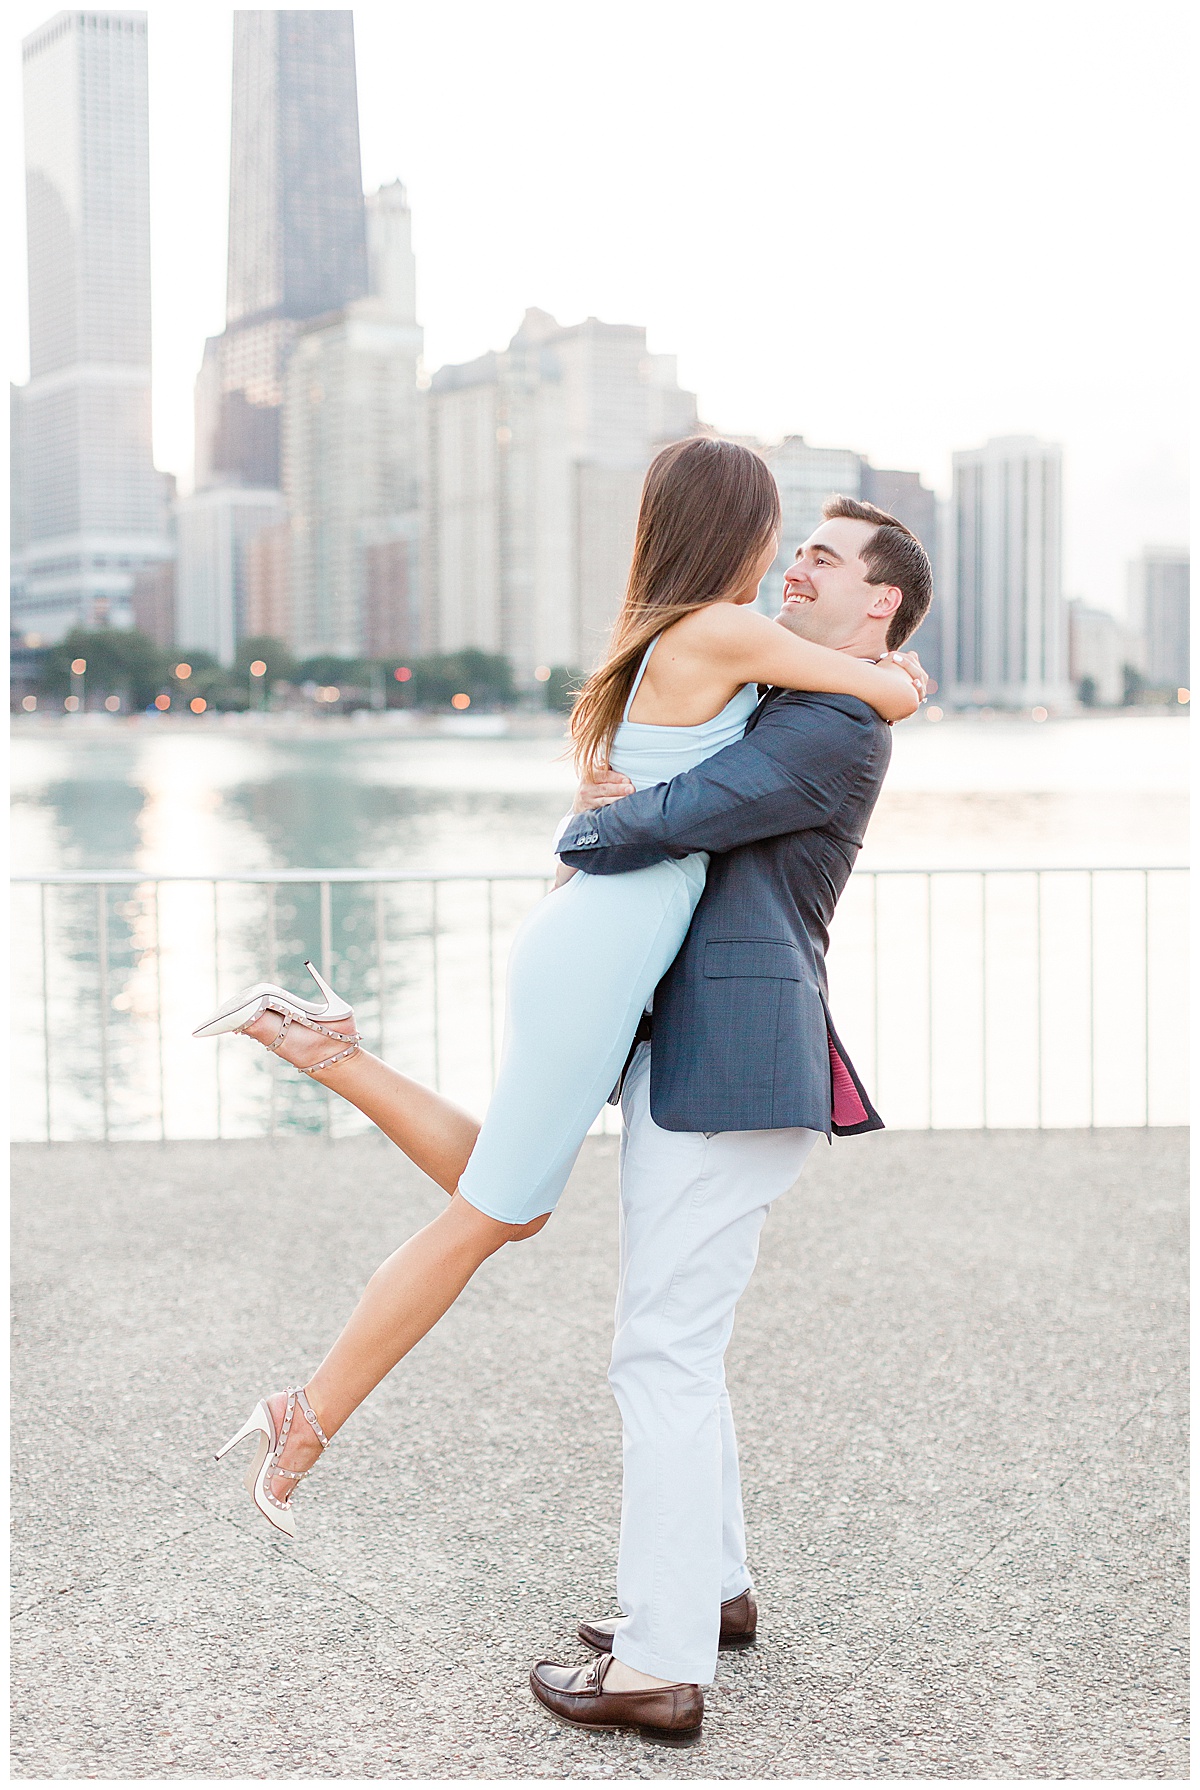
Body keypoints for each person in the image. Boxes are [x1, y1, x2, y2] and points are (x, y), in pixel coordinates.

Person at [197, 439, 924, 1553]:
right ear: (737, 527)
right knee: (490, 1212)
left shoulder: (683, 634)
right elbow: (881, 688)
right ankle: (306, 1415)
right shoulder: (725, 631)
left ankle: (326, 1047)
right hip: (602, 940)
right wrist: (905, 676)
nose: (782, 553)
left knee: (513, 1196)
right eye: (777, 529)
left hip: (593, 930)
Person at [525, 493, 933, 1744]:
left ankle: (658, 1665)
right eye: (794, 545)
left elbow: (677, 818)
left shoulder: (832, 722)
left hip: (735, 1065)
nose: (795, 565)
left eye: (824, 556)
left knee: (657, 1355)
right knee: (681, 1346)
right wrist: (621, 782)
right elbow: (674, 778)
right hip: (713, 1060)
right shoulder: (795, 696)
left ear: (882, 605)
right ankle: (712, 1591)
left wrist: (588, 818)